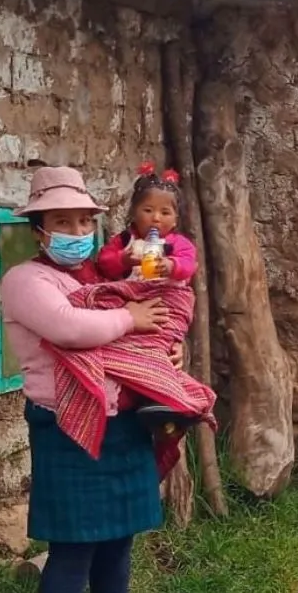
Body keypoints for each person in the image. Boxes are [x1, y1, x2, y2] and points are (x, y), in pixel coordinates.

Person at [0, 165, 175, 593]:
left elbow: (144, 324)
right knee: (73, 548)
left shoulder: (92, 276)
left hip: (119, 419)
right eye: (62, 222)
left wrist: (161, 350)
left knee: (118, 539)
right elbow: (72, 332)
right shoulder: (26, 281)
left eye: (83, 220)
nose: (76, 230)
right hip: (69, 425)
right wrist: (130, 318)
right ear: (39, 230)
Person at [93, 163, 204, 431]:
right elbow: (104, 264)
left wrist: (172, 266)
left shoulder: (178, 244)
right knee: (135, 347)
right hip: (133, 302)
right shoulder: (124, 241)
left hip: (167, 302)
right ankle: (142, 393)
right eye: (148, 210)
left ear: (175, 219)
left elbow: (190, 264)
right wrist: (123, 259)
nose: (156, 219)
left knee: (163, 347)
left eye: (165, 212)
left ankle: (169, 397)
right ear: (133, 213)